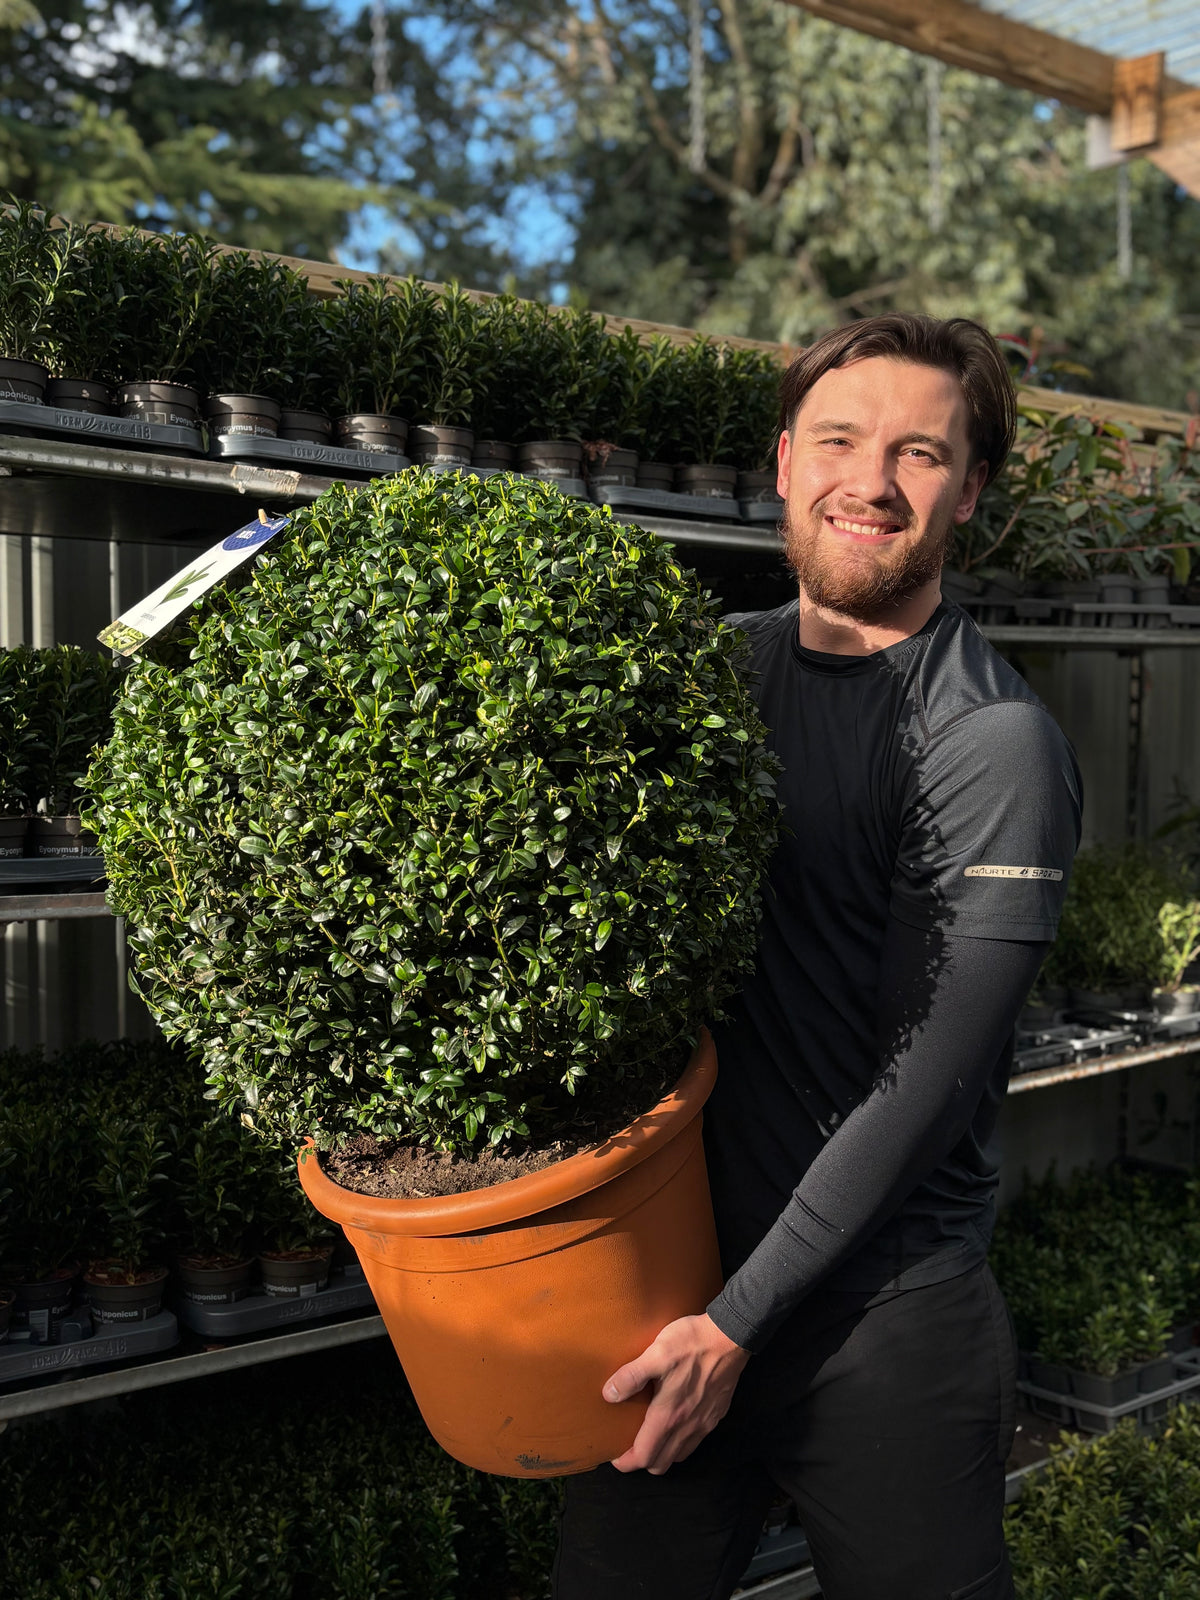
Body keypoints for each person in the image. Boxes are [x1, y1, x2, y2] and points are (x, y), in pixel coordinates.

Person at [552, 314, 1083, 1600]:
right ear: (786, 462)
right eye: (841, 439)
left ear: (970, 490)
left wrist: (738, 1323)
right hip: (673, 1287)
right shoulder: (710, 678)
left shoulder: (991, 741)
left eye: (920, 452)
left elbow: (924, 1085)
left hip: (881, 1314)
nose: (873, 482)